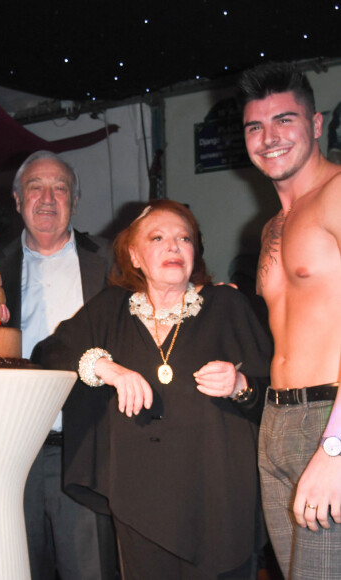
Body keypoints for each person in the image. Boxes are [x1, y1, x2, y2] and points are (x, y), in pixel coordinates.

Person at [32, 199, 272, 579]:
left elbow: (274, 392)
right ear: (134, 255)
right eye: (158, 237)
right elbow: (49, 353)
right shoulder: (112, 308)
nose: (174, 246)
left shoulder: (227, 304)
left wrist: (240, 385)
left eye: (184, 238)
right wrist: (104, 366)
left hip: (219, 500)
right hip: (140, 503)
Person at [238, 62, 341, 578]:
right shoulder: (271, 227)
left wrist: (336, 448)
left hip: (330, 420)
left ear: (317, 124)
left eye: (285, 120)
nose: (269, 138)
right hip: (276, 424)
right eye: (255, 127)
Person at [0, 151, 117, 580]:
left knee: (89, 570)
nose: (47, 198)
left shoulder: (110, 261)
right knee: (19, 567)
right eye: (35, 187)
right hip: (14, 452)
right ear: (16, 199)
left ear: (76, 199)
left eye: (59, 188)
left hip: (86, 448)